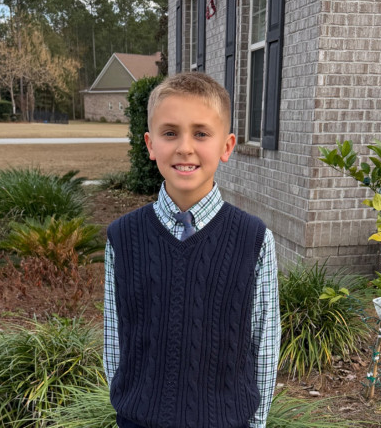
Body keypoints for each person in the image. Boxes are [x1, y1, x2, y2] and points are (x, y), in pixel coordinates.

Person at [103, 72, 280, 428]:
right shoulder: (123, 237)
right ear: (150, 144)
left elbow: (264, 341)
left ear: (226, 146)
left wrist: (257, 421)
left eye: (201, 134)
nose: (185, 147)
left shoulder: (254, 239)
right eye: (170, 133)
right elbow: (115, 340)